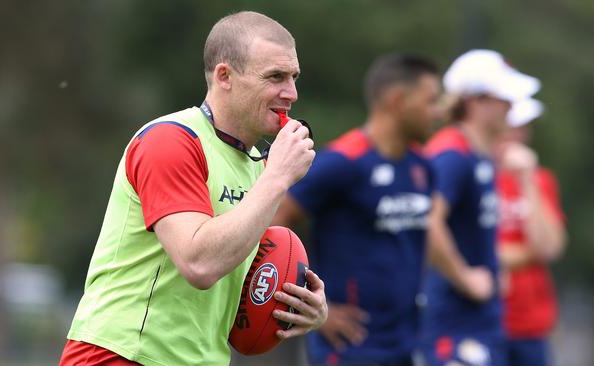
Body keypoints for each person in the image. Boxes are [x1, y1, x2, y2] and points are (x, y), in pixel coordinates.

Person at [58, 11, 327, 366]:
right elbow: (199, 264)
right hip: (120, 355)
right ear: (225, 76)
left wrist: (301, 306)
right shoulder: (171, 141)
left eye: (293, 77)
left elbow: (242, 284)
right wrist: (277, 178)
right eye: (275, 77)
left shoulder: (258, 166)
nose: (291, 93)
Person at [272, 54, 443, 365]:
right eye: (431, 101)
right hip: (350, 346)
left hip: (408, 343)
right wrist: (307, 304)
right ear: (397, 100)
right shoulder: (343, 162)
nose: (438, 111)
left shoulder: (422, 167)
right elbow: (275, 216)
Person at [420, 49, 540, 366]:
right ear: (475, 102)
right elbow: (428, 221)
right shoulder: (452, 154)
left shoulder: (479, 155)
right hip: (453, 323)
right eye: (504, 99)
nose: (512, 108)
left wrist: (493, 268)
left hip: (480, 322)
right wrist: (464, 276)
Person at [496, 98, 567, 366]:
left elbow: (550, 247)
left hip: (530, 325)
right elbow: (470, 251)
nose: (523, 135)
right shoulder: (467, 171)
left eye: (525, 127)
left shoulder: (540, 179)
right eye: (515, 126)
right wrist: (529, 253)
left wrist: (527, 179)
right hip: (481, 322)